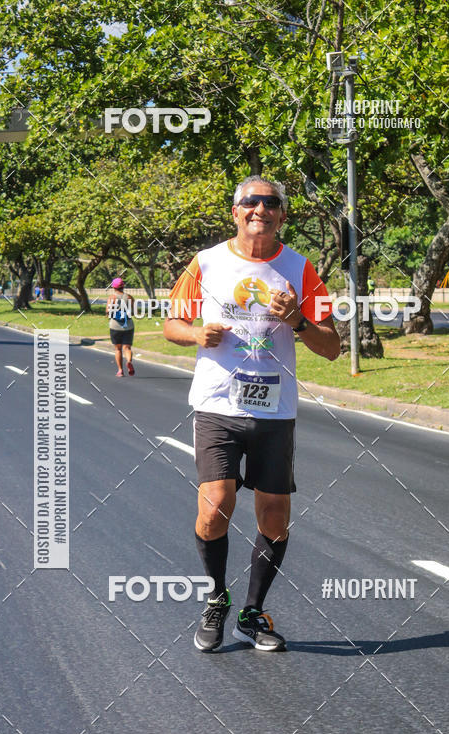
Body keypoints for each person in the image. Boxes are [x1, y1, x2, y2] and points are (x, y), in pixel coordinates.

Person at [164, 176, 340, 652]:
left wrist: (299, 321)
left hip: (275, 411)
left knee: (276, 517)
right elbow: (170, 323)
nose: (259, 208)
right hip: (218, 404)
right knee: (215, 505)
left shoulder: (301, 270)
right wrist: (196, 335)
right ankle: (216, 598)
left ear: (283, 214)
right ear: (236, 212)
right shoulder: (206, 263)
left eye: (271, 203)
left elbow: (333, 347)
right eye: (250, 201)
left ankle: (250, 612)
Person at [106, 277, 136, 376]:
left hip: (115, 326)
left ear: (113, 287)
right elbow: (134, 312)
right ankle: (129, 361)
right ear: (123, 286)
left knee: (118, 349)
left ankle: (120, 370)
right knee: (127, 348)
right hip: (128, 325)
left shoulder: (112, 298)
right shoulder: (130, 297)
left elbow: (107, 311)